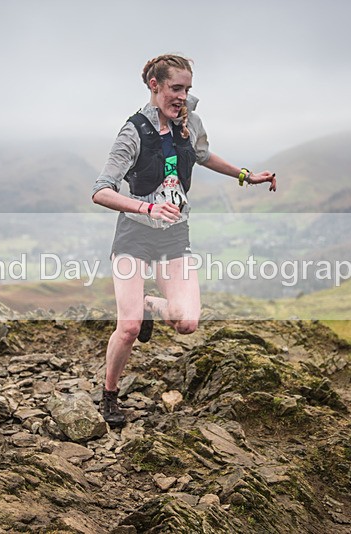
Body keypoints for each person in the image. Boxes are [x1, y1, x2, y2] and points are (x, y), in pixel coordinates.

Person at [91, 54, 277, 427]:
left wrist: (246, 175)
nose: (182, 96)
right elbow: (100, 191)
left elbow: (204, 155)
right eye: (176, 88)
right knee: (127, 328)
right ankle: (110, 394)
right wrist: (146, 211)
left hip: (175, 236)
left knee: (187, 322)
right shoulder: (134, 132)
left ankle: (147, 302)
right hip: (135, 234)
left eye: (188, 89)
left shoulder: (189, 122)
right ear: (154, 86)